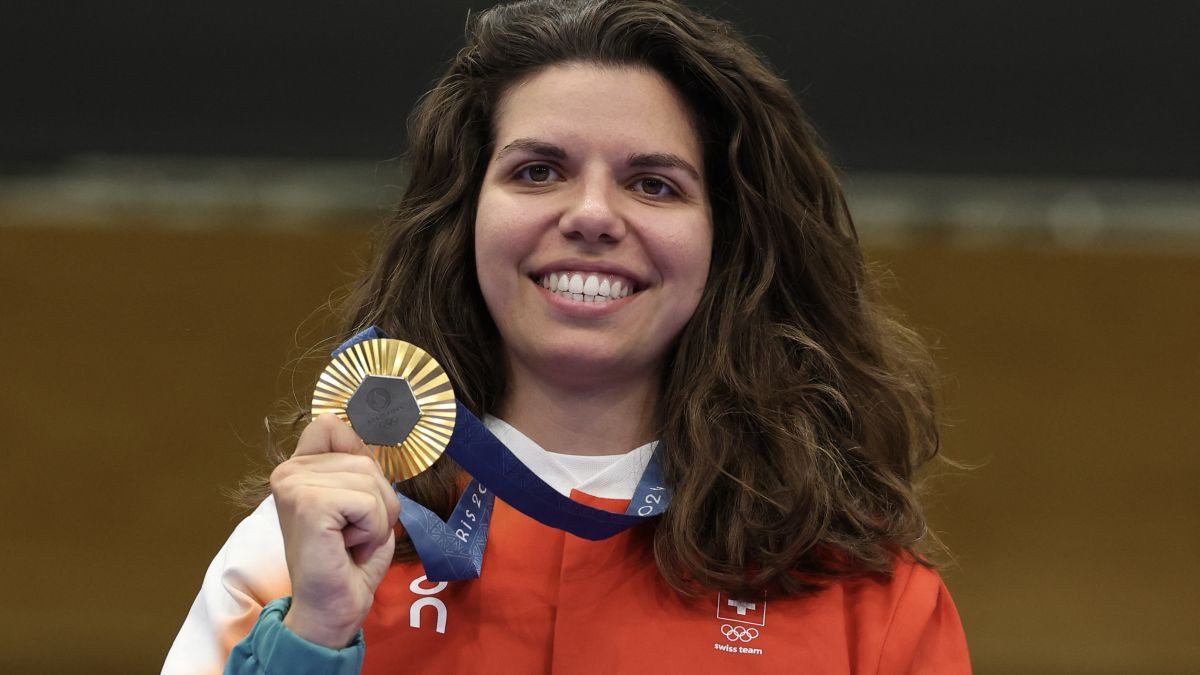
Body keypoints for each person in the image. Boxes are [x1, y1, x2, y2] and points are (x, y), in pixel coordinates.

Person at [165, 0, 971, 672]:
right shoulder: (306, 547)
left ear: (729, 240)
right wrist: (315, 635)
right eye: (537, 171)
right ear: (463, 217)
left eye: (653, 183)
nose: (590, 215)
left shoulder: (863, 597)